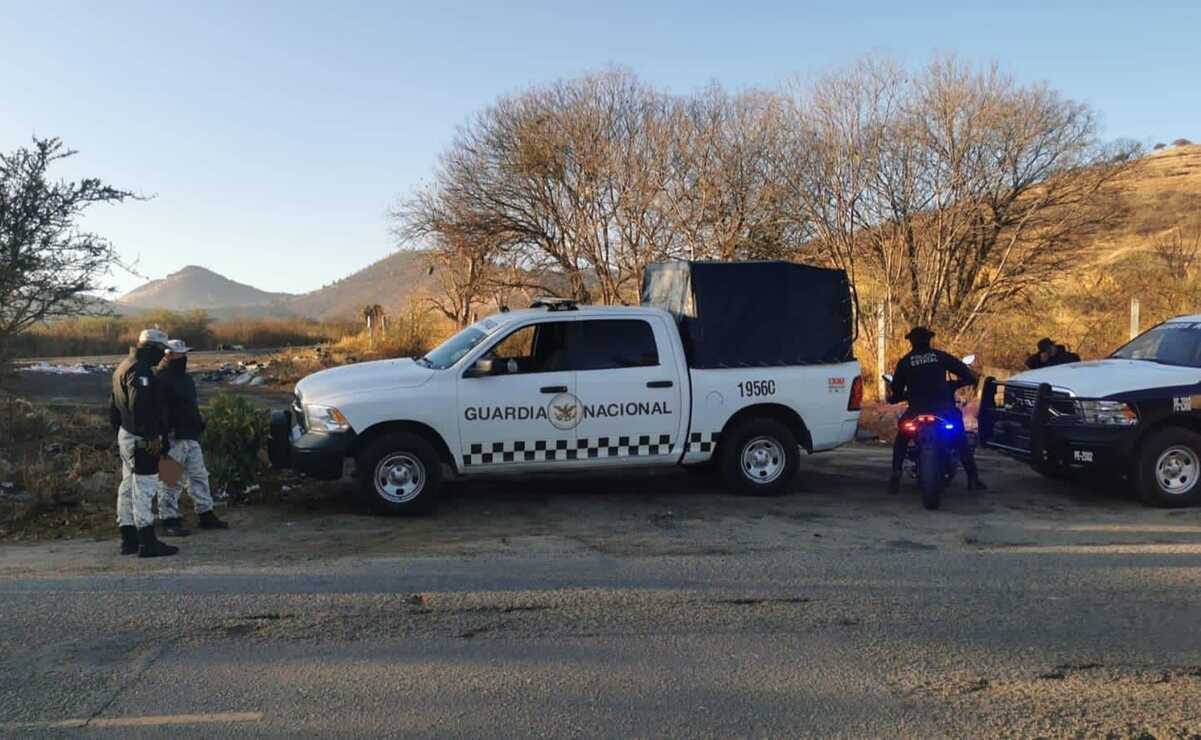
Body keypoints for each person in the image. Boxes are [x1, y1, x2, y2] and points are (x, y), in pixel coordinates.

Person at [887, 326, 987, 494]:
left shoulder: (906, 361)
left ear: (911, 341)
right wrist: (956, 384)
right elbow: (967, 374)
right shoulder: (940, 357)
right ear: (929, 340)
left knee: (902, 437)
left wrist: (897, 397)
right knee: (960, 438)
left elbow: (896, 389)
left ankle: (896, 473)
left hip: (916, 410)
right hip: (944, 409)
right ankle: (972, 477)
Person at [110, 328, 178, 558]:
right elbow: (140, 407)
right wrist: (151, 437)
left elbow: (114, 409)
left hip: (126, 434)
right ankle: (147, 541)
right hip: (141, 438)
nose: (163, 356)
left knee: (128, 487)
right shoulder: (140, 372)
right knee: (145, 489)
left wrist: (123, 434)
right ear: (153, 349)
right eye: (162, 351)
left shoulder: (122, 366)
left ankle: (128, 539)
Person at [156, 339, 228, 536]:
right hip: (171, 437)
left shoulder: (186, 379)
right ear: (168, 355)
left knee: (199, 476)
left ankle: (206, 514)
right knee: (170, 481)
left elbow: (190, 405)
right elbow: (159, 411)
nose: (185, 358)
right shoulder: (160, 379)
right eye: (180, 354)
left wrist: (198, 421)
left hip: (190, 434)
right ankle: (168, 519)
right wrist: (163, 435)